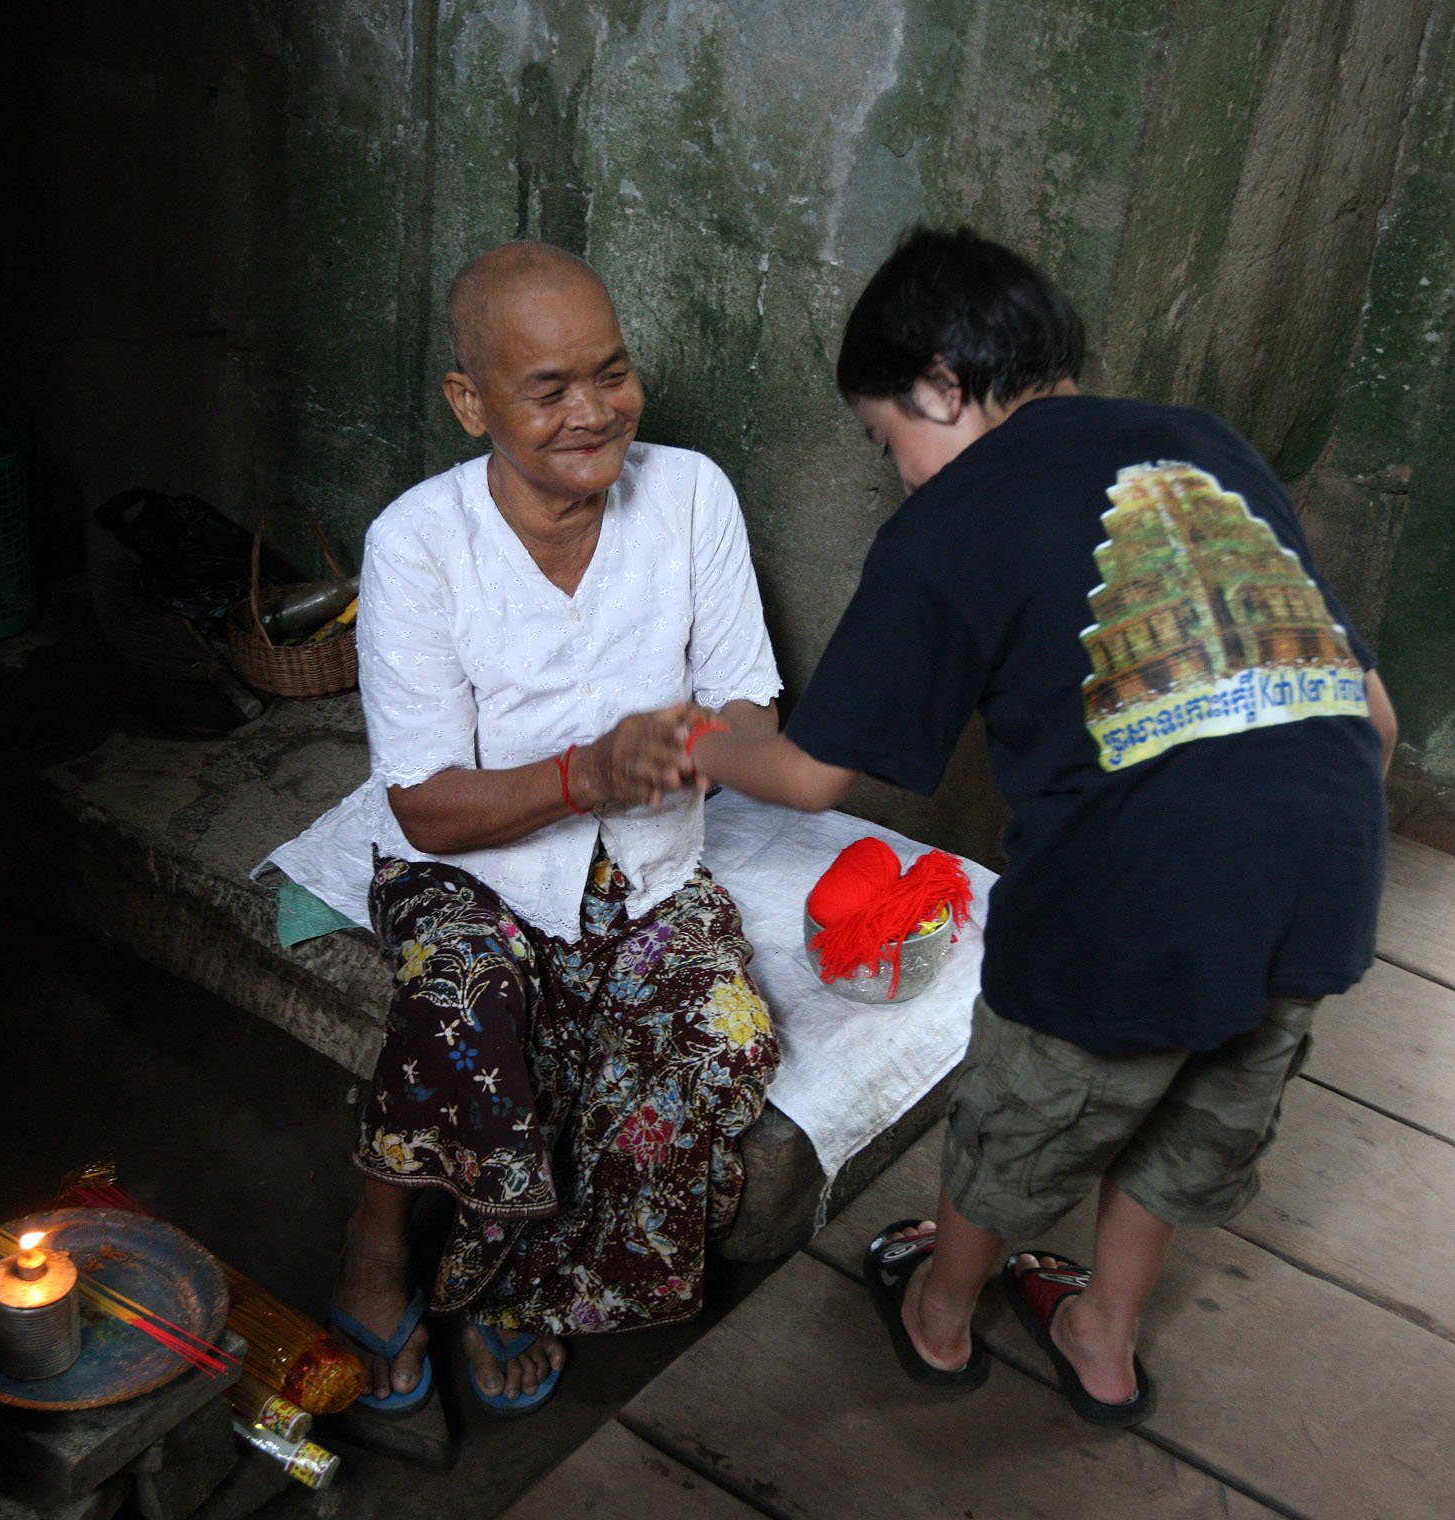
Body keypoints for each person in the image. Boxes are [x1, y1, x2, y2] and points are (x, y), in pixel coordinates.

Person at [689, 225, 1395, 1427]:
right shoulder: (1204, 443)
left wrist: (692, 740)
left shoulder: (953, 512)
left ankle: (941, 1312)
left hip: (1130, 899)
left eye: (887, 438)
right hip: (1323, 871)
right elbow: (1370, 717)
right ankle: (1103, 1336)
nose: (902, 471)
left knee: (1025, 1120)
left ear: (942, 385)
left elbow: (809, 775)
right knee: (1198, 1106)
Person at [324, 240, 782, 1416]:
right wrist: (587, 773)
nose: (595, 412)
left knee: (718, 1033)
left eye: (612, 373)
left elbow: (746, 699)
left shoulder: (690, 496)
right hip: (466, 866)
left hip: (650, 867)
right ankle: (378, 1244)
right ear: (470, 401)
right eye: (549, 389)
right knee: (469, 999)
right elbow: (425, 799)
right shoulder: (417, 545)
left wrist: (708, 746)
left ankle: (517, 1284)